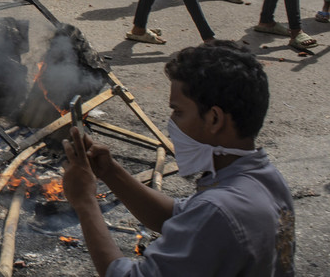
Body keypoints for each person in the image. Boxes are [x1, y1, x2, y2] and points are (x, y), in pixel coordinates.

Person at [62, 40, 295, 277]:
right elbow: (174, 215)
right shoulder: (266, 179)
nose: (171, 123)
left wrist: (85, 203)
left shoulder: (217, 212)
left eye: (179, 112)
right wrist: (110, 171)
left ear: (214, 119)